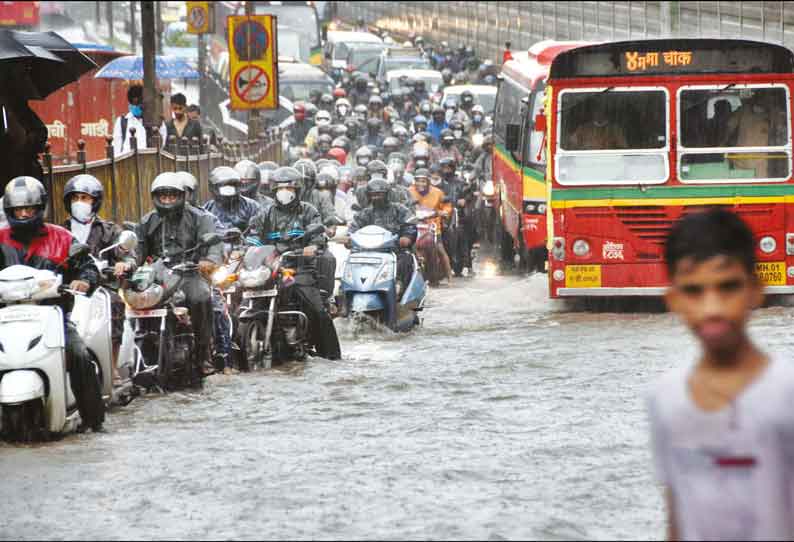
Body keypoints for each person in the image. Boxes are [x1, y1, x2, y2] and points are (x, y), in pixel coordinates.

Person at [649, 208, 794, 541]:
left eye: (728, 287)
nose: (712, 308)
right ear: (673, 300)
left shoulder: (788, 392)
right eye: (694, 291)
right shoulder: (664, 399)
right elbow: (677, 519)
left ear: (756, 290)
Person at [0, 176, 104, 430]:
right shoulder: (1, 238)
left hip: (51, 316)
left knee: (79, 354)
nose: (24, 214)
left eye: (29, 209)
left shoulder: (62, 238)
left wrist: (84, 282)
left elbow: (88, 267)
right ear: (9, 212)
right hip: (5, 316)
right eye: (18, 210)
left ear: (40, 208)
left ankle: (94, 420)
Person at [138, 173, 222, 380]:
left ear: (182, 196)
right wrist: (128, 263)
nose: (167, 201)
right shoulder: (148, 220)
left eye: (172, 196)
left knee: (200, 297)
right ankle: (139, 354)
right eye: (163, 196)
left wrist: (209, 261)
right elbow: (138, 251)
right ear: (156, 197)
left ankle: (204, 354)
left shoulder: (200, 218)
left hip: (190, 272)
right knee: (134, 301)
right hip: (159, 275)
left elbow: (214, 246)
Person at [251, 167, 341, 359]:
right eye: (280, 188)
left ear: (297, 190)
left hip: (298, 269)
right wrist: (243, 250)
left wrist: (312, 247)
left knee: (318, 311)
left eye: (289, 188)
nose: (285, 192)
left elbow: (318, 235)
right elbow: (253, 238)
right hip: (270, 269)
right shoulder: (265, 214)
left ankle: (332, 355)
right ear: (273, 190)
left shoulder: (309, 211)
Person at [61, 174, 136, 385]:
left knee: (115, 304)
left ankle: (111, 366)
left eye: (85, 198)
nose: (80, 203)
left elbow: (127, 253)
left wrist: (125, 263)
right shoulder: (60, 232)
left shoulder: (109, 230)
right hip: (69, 288)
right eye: (75, 198)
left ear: (95, 201)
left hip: (102, 287)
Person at [349, 178, 417, 297]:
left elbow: (410, 224)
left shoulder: (399, 209)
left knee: (406, 259)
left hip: (394, 251)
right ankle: (346, 292)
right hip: (367, 252)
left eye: (380, 194)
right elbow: (353, 229)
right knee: (349, 260)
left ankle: (399, 288)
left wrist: (406, 236)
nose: (376, 198)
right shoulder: (364, 213)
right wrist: (348, 238)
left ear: (387, 195)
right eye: (373, 195)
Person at [112, 85, 167, 156]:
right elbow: (116, 148)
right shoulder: (122, 121)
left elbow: (162, 145)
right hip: (127, 163)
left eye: (138, 103)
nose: (135, 106)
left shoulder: (156, 121)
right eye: (132, 103)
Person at [204, 166, 261, 233]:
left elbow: (257, 231)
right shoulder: (206, 209)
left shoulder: (252, 206)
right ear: (213, 188)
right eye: (224, 187)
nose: (229, 191)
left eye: (233, 185)